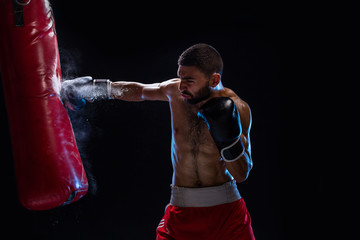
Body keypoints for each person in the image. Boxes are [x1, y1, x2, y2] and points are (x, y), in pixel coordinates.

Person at [61, 43, 255, 239]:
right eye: (180, 77)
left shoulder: (239, 109)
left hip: (226, 215)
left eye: (189, 80)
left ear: (214, 79)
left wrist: (227, 140)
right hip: (181, 211)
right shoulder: (175, 92)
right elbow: (140, 91)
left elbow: (241, 174)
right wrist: (93, 88)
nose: (181, 85)